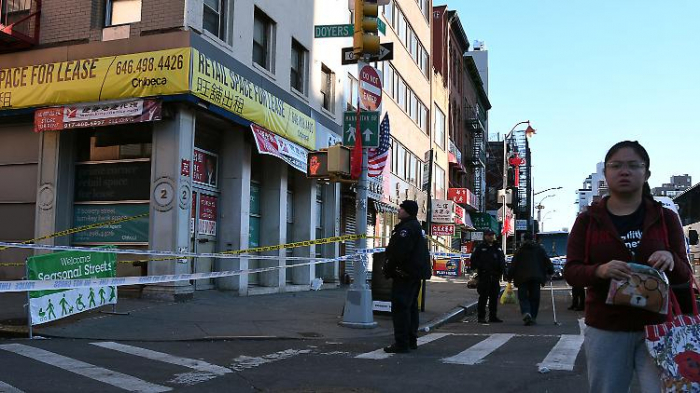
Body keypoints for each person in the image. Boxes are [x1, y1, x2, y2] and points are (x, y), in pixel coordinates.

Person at [563, 140, 693, 393]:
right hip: (606, 328)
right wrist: (599, 271)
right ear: (606, 173)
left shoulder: (665, 217)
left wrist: (670, 258)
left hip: (659, 329)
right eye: (616, 165)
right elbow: (572, 272)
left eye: (634, 165)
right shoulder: (588, 220)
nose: (625, 171)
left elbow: (685, 273)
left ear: (646, 174)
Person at [383, 200, 431, 353]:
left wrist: (389, 269)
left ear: (407, 211)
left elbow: (399, 253)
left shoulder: (407, 229)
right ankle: (411, 340)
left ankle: (402, 343)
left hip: (405, 275)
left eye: (401, 208)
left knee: (401, 308)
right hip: (413, 275)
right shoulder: (415, 227)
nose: (399, 210)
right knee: (410, 308)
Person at [508, 232, 554, 325]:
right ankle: (532, 316)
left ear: (523, 239)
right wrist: (550, 271)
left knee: (523, 297)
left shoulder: (519, 250)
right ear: (533, 238)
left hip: (522, 278)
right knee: (535, 298)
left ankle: (526, 312)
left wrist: (509, 277)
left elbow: (513, 265)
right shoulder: (539, 249)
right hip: (536, 277)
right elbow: (547, 262)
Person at [470, 229, 506, 324]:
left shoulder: (497, 247)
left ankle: (493, 316)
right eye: (489, 235)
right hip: (484, 276)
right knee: (483, 297)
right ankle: (481, 317)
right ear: (485, 236)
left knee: (494, 297)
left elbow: (502, 260)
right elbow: (473, 260)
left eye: (492, 235)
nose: (491, 237)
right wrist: (479, 268)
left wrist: (502, 271)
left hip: (495, 276)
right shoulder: (480, 247)